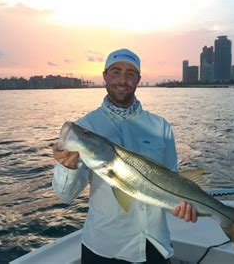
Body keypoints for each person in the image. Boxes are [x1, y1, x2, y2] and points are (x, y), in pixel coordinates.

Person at [52, 48, 198, 264]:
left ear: (138, 79)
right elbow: (65, 196)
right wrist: (66, 167)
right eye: (116, 71)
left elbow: (173, 180)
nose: (122, 80)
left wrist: (184, 206)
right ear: (105, 76)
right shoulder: (86, 127)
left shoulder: (160, 126)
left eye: (130, 73)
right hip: (104, 247)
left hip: (155, 243)